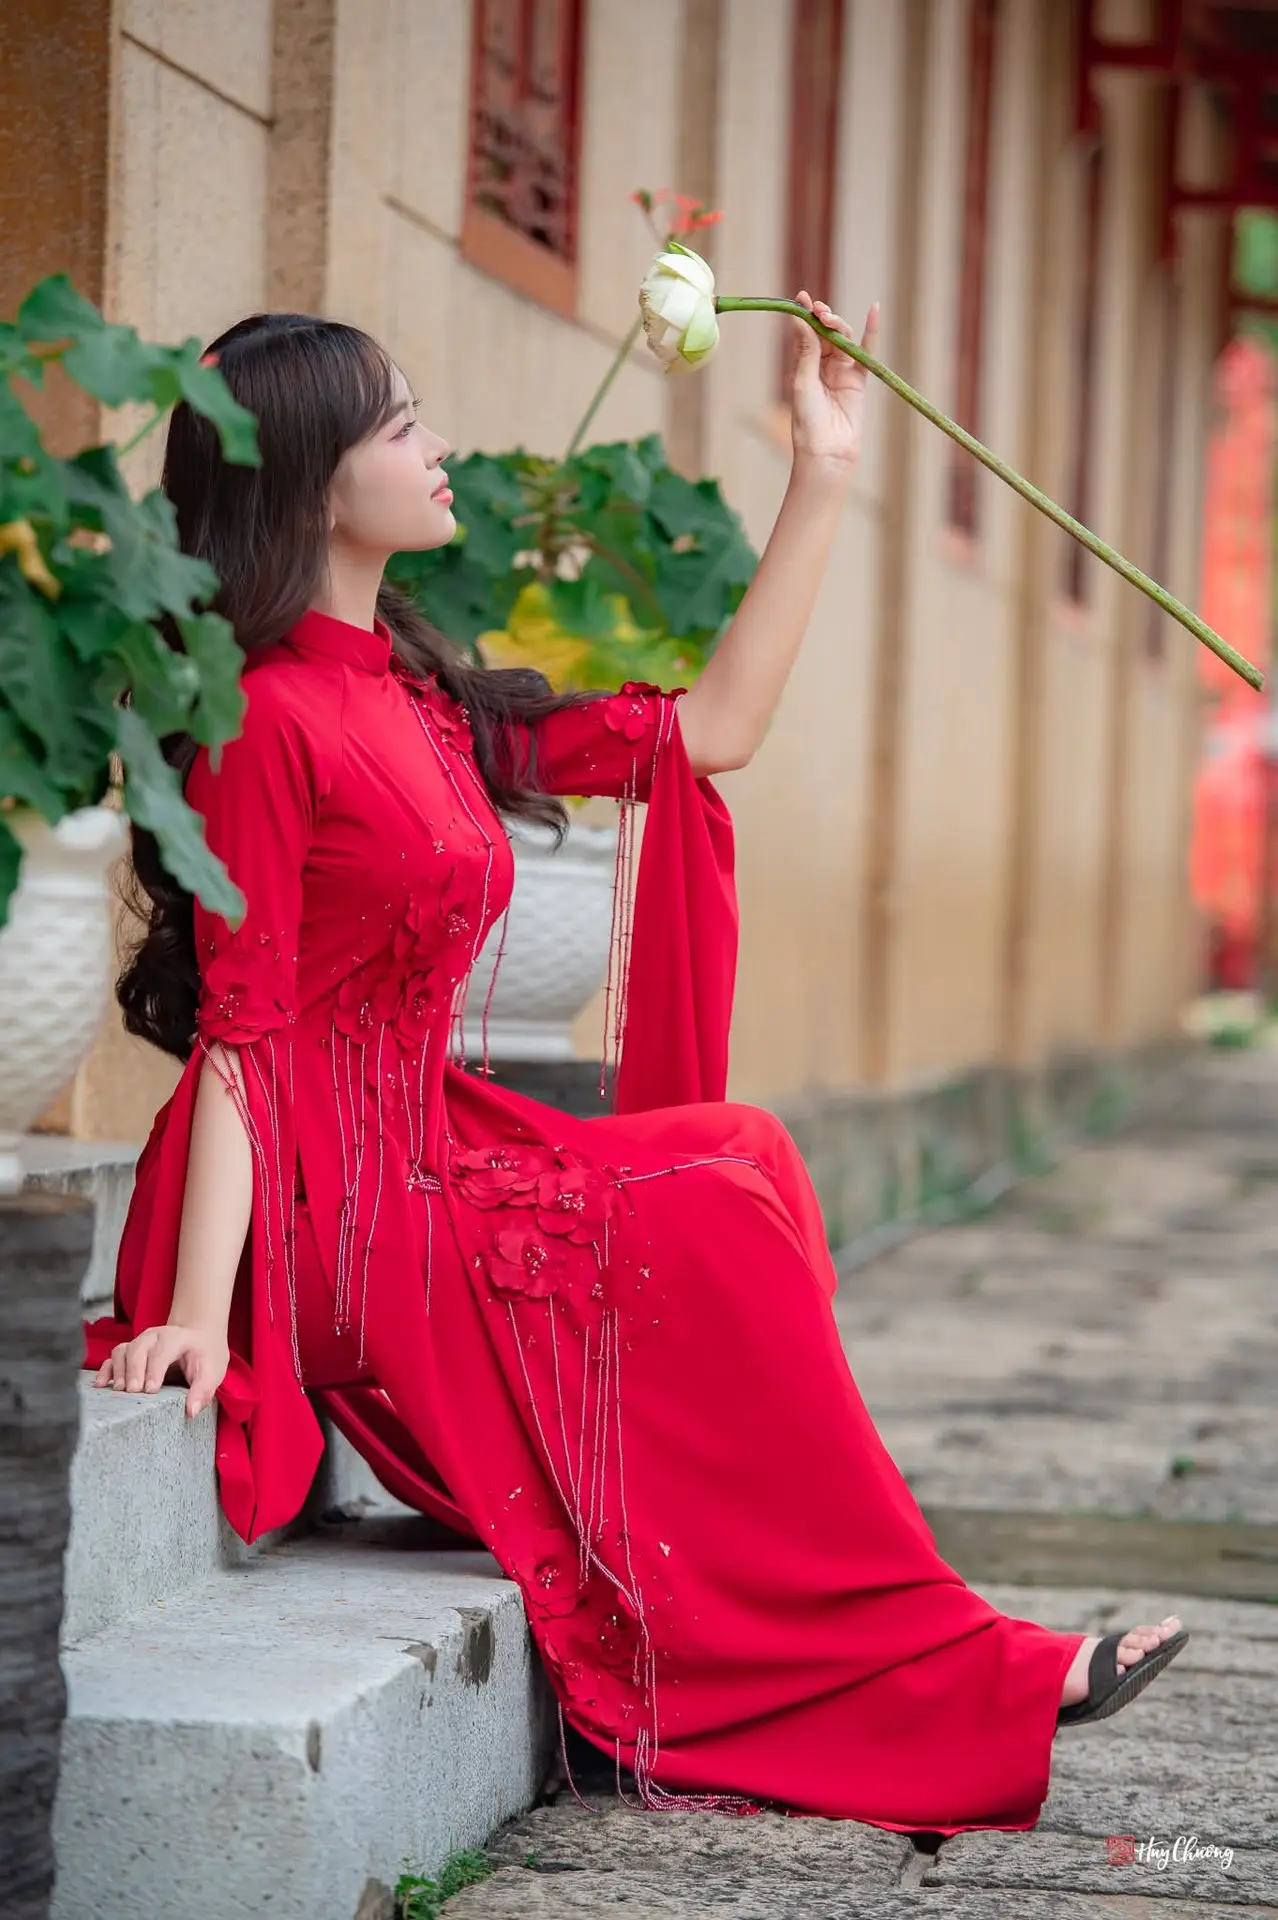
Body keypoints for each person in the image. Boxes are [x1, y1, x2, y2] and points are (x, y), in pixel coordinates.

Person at [86, 295, 1186, 1836]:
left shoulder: (412, 698)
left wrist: (823, 470)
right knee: (709, 1208)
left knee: (745, 1149)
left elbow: (707, 734)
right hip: (316, 1215)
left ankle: (887, 1625)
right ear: (314, 482)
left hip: (425, 1151)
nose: (437, 446)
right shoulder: (262, 723)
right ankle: (946, 1658)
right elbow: (241, 1032)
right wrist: (204, 1318)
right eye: (402, 426)